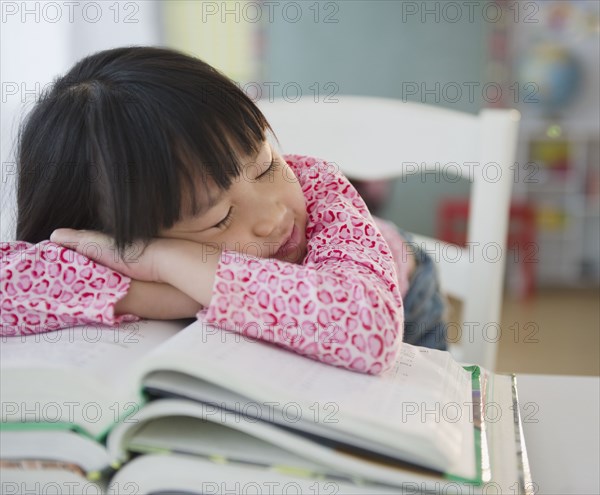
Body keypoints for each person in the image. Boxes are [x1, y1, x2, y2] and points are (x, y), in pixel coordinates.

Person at [0, 46, 446, 375]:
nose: (271, 215)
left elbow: (365, 328)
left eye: (268, 165)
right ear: (122, 238)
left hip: (403, 294)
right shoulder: (103, 234)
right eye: (219, 218)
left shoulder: (321, 189)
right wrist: (166, 291)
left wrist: (170, 266)